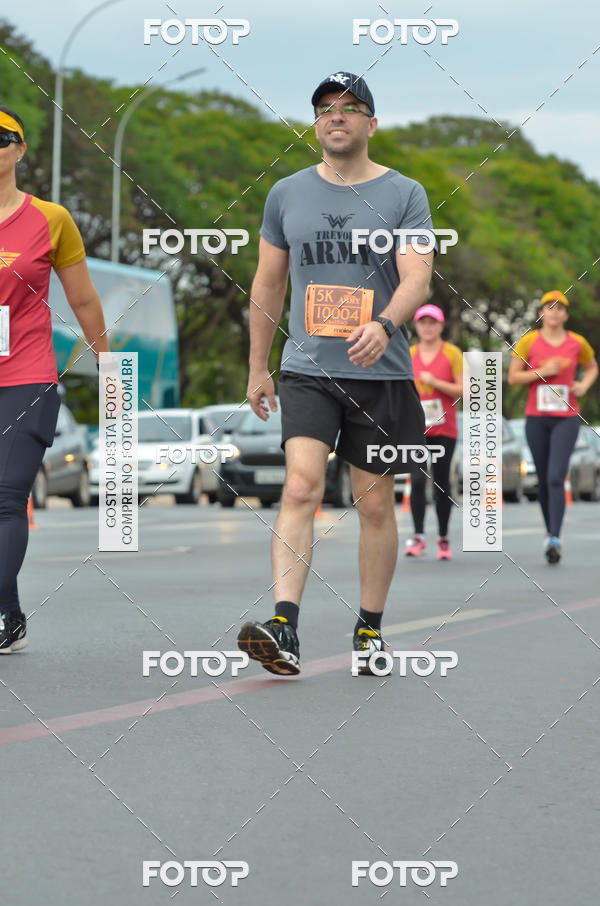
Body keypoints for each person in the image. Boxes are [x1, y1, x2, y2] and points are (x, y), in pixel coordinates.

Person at [236, 72, 435, 676]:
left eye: (350, 108)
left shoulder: (405, 194)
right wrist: (257, 366)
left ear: (371, 123)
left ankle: (369, 628)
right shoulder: (286, 194)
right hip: (307, 370)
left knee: (373, 503)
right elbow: (269, 284)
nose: (336, 116)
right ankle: (283, 627)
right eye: (325, 109)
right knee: (300, 487)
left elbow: (416, 276)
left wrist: (387, 324)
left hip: (382, 375)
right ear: (315, 124)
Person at [0, 105, 110, 652]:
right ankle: (9, 611)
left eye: (2, 137)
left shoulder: (50, 219)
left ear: (20, 150)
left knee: (6, 494)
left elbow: (84, 297)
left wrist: (106, 362)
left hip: (26, 376)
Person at [508, 290, 598, 564]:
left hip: (566, 417)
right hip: (536, 417)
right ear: (541, 313)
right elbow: (512, 378)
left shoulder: (577, 342)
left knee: (557, 476)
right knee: (545, 480)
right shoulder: (529, 341)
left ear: (566, 315)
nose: (555, 312)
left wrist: (583, 383)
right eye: (550, 307)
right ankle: (550, 532)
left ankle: (555, 537)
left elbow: (592, 367)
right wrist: (541, 373)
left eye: (560, 308)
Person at [404, 304, 462, 560]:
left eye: (432, 322)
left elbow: (465, 390)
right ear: (416, 326)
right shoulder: (408, 353)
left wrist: (434, 382)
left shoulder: (452, 353)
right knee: (417, 480)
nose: (427, 327)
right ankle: (418, 537)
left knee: (441, 482)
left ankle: (443, 538)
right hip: (415, 428)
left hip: (444, 428)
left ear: (440, 325)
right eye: (422, 322)